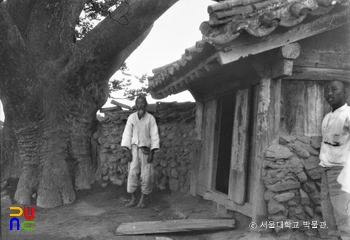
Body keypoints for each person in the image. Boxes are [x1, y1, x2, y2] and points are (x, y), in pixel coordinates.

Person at [319, 80, 350, 240]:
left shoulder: (348, 114)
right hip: (326, 170)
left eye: (334, 89)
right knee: (328, 211)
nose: (329, 93)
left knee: (342, 212)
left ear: (344, 93)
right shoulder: (327, 117)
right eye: (326, 90)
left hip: (341, 171)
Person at [121, 96, 159, 208]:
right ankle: (133, 198)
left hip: (146, 150)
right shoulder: (131, 118)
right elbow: (127, 134)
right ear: (136, 105)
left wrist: (152, 152)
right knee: (132, 173)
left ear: (146, 105)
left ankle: (144, 198)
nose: (140, 105)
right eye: (138, 103)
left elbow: (154, 135)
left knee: (146, 175)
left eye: (143, 103)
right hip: (133, 149)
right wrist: (127, 150)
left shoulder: (151, 119)